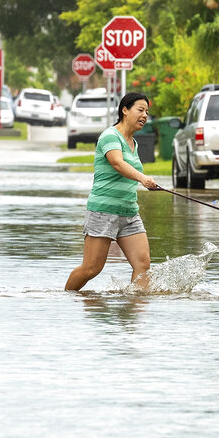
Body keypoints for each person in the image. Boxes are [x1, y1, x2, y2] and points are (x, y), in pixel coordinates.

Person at [65, 92, 159, 292]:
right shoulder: (110, 136)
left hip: (129, 212)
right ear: (125, 110)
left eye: (147, 112)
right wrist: (143, 178)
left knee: (143, 265)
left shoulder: (134, 143)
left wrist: (144, 180)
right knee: (92, 268)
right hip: (103, 211)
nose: (144, 115)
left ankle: (136, 306)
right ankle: (66, 298)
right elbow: (117, 162)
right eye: (140, 110)